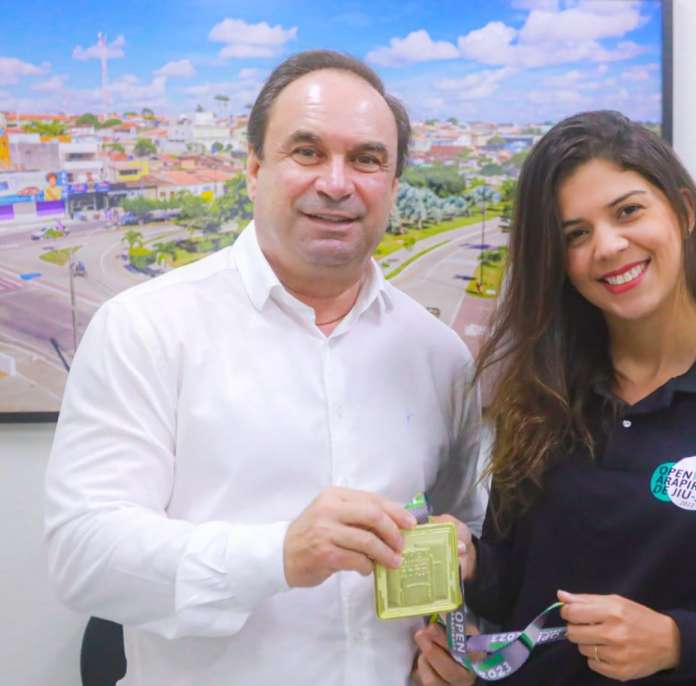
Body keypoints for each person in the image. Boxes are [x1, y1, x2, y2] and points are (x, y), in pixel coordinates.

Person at [46, 50, 485, 686]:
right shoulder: (144, 328)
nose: (337, 183)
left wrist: (455, 638)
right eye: (307, 152)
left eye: (367, 160)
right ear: (254, 170)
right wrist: (278, 555)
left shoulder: (440, 354)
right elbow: (83, 555)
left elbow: (465, 532)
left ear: (392, 186)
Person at [425, 110, 696, 685]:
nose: (608, 246)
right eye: (575, 235)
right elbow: (518, 588)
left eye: (628, 211)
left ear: (683, 212)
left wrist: (678, 642)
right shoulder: (540, 396)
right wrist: (473, 562)